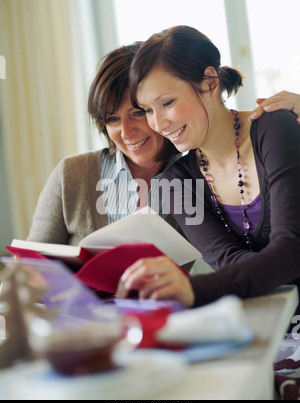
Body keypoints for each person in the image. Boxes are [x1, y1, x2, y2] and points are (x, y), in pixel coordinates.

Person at [118, 26, 300, 312]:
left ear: (210, 82)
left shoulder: (274, 127)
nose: (158, 124)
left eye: (167, 103)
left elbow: (291, 249)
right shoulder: (175, 184)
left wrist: (192, 289)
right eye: (148, 110)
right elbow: (227, 262)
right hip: (267, 325)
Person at [27, 43, 180, 246]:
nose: (126, 132)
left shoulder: (196, 176)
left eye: (137, 113)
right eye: (113, 119)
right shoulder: (71, 174)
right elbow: (30, 267)